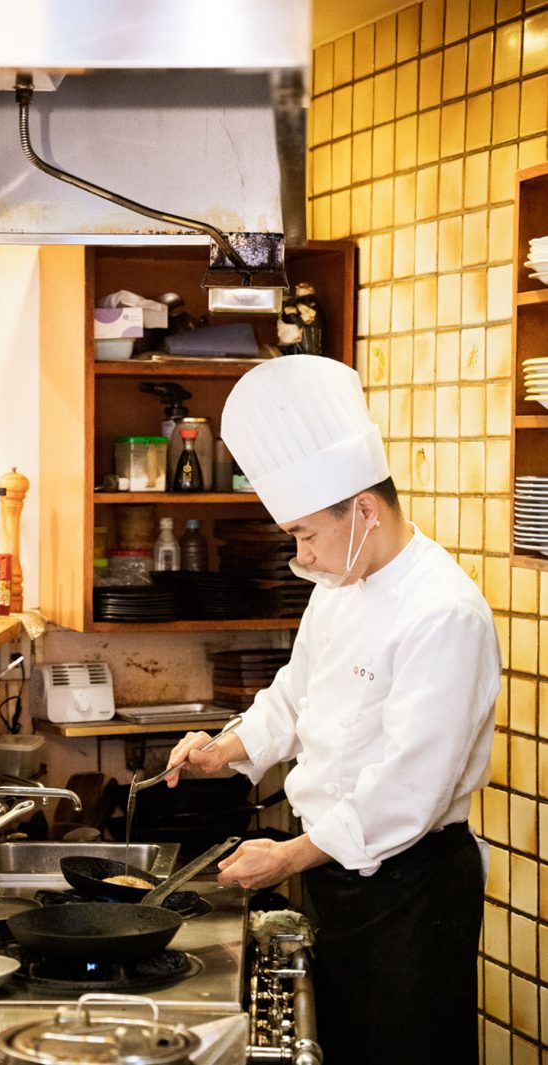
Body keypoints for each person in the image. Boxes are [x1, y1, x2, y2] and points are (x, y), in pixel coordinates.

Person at [164, 355, 501, 1065]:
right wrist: (226, 746)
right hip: (335, 874)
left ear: (365, 510)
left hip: (411, 889)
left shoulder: (444, 613)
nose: (302, 553)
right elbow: (297, 692)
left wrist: (289, 853)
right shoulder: (342, 580)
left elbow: (408, 790)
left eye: (306, 534)